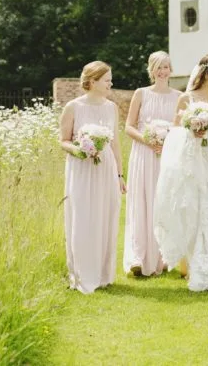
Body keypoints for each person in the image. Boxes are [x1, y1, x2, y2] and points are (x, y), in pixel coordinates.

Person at [154, 54, 208, 292]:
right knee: (197, 211)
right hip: (195, 161)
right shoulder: (186, 98)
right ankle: (198, 267)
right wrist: (192, 132)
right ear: (206, 72)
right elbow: (174, 132)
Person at [59, 61, 126, 294]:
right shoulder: (73, 107)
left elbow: (115, 142)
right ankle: (82, 274)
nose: (111, 83)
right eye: (107, 79)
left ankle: (102, 274)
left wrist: (119, 174)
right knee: (83, 217)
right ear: (93, 81)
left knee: (105, 215)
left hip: (105, 168)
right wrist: (80, 150)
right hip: (81, 168)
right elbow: (63, 140)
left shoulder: (111, 108)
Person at [123, 51, 180, 277]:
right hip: (143, 153)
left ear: (171, 69)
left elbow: (181, 128)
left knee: (164, 202)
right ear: (151, 69)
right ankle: (138, 256)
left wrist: (166, 141)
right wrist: (148, 139)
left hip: (167, 155)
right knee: (141, 201)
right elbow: (128, 126)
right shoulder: (141, 93)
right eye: (158, 67)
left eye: (166, 66)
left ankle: (163, 256)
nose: (162, 71)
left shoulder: (179, 96)